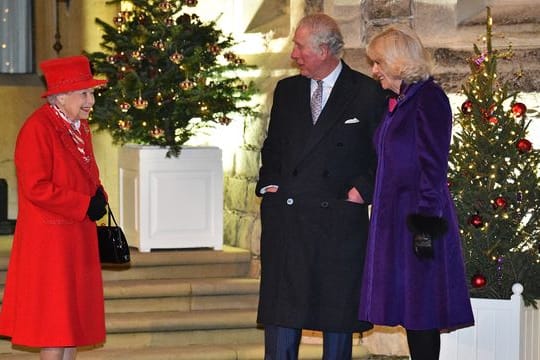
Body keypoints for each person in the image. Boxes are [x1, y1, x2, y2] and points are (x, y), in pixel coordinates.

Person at [255, 13, 387, 360]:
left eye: (300, 47)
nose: (294, 54)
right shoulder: (288, 90)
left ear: (325, 49)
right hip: (289, 219)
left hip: (338, 222)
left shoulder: (367, 92)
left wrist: (361, 191)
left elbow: (383, 153)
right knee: (282, 313)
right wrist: (269, 185)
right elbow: (274, 147)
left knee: (336, 313)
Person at [358, 26, 475, 360]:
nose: (374, 70)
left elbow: (433, 167)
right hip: (393, 217)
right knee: (409, 311)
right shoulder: (399, 102)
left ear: (398, 62)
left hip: (419, 219)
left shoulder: (428, 98)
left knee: (421, 311)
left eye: (378, 62)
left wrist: (423, 226)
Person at [0, 55, 109, 360]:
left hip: (76, 236)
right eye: (85, 94)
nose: (91, 101)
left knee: (71, 324)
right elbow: (36, 187)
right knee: (54, 325)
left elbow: (85, 173)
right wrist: (84, 204)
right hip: (51, 242)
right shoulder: (37, 128)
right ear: (61, 96)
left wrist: (99, 195)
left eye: (92, 94)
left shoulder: (77, 128)